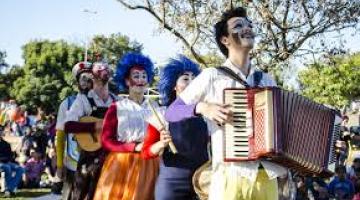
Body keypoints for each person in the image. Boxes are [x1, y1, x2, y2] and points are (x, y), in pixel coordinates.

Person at [165, 7, 291, 200]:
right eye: (238, 25)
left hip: (266, 176)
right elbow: (172, 112)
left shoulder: (267, 80)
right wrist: (203, 107)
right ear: (225, 40)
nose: (247, 28)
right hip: (230, 175)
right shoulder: (211, 76)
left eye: (249, 25)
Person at [141, 55, 209, 200]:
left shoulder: (206, 113)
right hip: (171, 185)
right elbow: (146, 152)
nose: (191, 82)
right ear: (174, 85)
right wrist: (161, 144)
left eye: (194, 78)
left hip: (204, 182)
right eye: (185, 78)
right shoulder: (162, 114)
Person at [93, 52, 158, 200]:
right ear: (127, 81)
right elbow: (106, 141)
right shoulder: (116, 107)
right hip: (121, 163)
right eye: (136, 76)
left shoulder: (155, 107)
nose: (141, 80)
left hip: (149, 163)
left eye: (144, 76)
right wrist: (133, 147)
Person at [64, 61, 118, 200]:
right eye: (99, 68)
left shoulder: (116, 101)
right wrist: (95, 127)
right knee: (83, 193)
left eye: (106, 67)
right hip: (90, 156)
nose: (104, 69)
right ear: (92, 77)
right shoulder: (83, 100)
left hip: (113, 155)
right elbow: (68, 126)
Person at [55, 61, 93, 200]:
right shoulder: (67, 103)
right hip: (73, 163)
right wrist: (59, 165)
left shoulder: (102, 101)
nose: (86, 82)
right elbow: (60, 135)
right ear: (77, 81)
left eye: (90, 78)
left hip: (97, 162)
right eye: (83, 78)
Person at [0, 132, 24, 197]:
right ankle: (9, 190)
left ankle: (9, 189)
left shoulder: (6, 144)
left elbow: (10, 156)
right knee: (8, 168)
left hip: (6, 162)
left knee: (20, 169)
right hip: (2, 163)